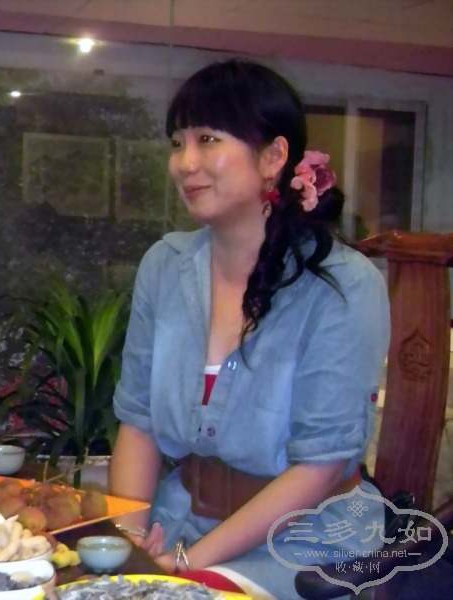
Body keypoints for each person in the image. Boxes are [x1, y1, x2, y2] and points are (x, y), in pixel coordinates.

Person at [109, 59, 390, 600]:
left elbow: (321, 465)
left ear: (273, 157)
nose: (185, 163)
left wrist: (185, 566)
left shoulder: (343, 284)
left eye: (208, 139)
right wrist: (131, 542)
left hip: (305, 546)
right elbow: (138, 423)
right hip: (180, 520)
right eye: (177, 143)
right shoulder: (165, 266)